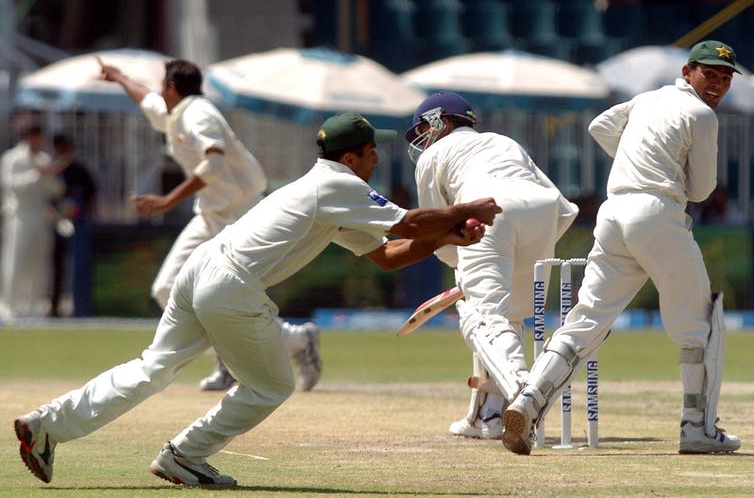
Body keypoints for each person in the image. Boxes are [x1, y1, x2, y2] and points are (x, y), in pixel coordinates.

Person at [14, 111, 501, 487]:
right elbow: (410, 223)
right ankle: (183, 456)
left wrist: (449, 235)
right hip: (230, 282)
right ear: (351, 158)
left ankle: (46, 425)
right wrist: (465, 210)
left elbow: (388, 255)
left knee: (152, 366)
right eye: (372, 152)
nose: (377, 160)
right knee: (270, 386)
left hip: (201, 268)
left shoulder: (326, 191)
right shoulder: (339, 185)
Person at [501, 40, 742, 456]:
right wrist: (661, 168)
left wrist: (637, 156)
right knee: (701, 323)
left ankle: (529, 398)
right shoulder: (701, 114)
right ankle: (697, 427)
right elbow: (702, 189)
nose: (717, 84)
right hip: (657, 212)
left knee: (588, 318)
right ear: (688, 72)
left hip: (614, 215)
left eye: (724, 77)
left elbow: (599, 126)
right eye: (709, 74)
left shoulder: (646, 101)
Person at [98, 57, 322, 392]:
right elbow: (147, 99)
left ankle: (263, 352)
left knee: (232, 296)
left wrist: (166, 201)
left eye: (163, 86)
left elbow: (214, 162)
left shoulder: (199, 113)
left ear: (172, 88)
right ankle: (294, 340)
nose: (160, 91)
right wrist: (119, 77)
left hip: (243, 214)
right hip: (210, 214)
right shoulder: (177, 112)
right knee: (166, 288)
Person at [405, 92, 578, 440]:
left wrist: (459, 264)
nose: (420, 138)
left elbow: (435, 226)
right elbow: (564, 207)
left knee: (480, 316)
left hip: (486, 210)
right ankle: (487, 418)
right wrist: (537, 243)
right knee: (507, 318)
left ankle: (524, 390)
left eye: (423, 127)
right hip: (541, 212)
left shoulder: (433, 156)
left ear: (442, 121)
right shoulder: (504, 141)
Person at [0, 125, 63, 320]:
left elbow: (56, 190)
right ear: (28, 137)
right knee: (15, 261)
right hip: (19, 217)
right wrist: (36, 174)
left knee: (40, 264)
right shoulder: (13, 158)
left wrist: (50, 174)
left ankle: (35, 306)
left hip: (41, 217)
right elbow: (11, 185)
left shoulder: (43, 158)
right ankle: (8, 306)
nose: (39, 141)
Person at [48, 134, 97, 318]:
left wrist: (82, 214)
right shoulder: (52, 170)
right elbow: (47, 198)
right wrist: (55, 215)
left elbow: (91, 194)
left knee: (79, 267)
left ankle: (80, 308)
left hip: (79, 223)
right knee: (56, 267)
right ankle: (54, 308)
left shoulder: (79, 169)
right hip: (56, 223)